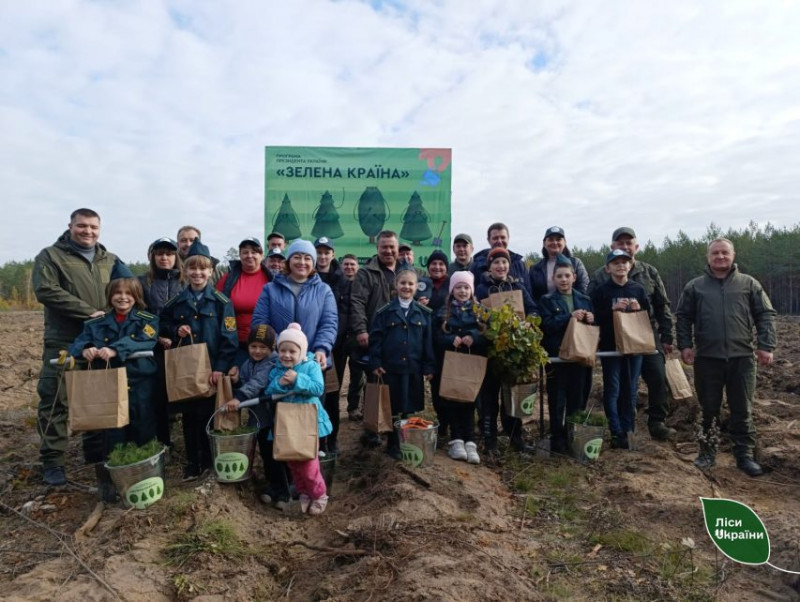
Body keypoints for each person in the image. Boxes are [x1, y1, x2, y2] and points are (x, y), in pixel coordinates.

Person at [676, 238, 777, 477]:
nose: (720, 257)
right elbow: (682, 317)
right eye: (715, 253)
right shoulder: (695, 286)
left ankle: (744, 456)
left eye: (724, 253)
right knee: (708, 408)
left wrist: (766, 345)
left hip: (742, 358)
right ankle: (707, 453)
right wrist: (685, 345)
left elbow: (765, 314)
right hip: (707, 359)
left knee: (742, 409)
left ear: (733, 255)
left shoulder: (749, 284)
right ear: (708, 257)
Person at [33, 208, 119, 486]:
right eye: (82, 226)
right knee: (56, 399)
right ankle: (53, 462)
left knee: (95, 397)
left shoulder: (110, 259)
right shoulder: (51, 256)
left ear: (100, 229)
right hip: (64, 341)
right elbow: (46, 291)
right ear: (70, 226)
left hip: (98, 340)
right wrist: (89, 312)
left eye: (93, 227)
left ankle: (94, 454)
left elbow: (127, 289)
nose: (88, 231)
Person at [68, 265, 159, 500]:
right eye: (118, 293)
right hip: (108, 388)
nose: (123, 297)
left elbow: (146, 341)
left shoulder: (147, 320)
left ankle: (147, 479)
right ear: (110, 295)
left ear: (136, 296)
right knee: (113, 435)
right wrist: (86, 349)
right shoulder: (96, 323)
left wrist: (115, 349)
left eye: (128, 293)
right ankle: (117, 484)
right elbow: (76, 345)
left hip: (139, 385)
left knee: (143, 430)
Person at [229, 324, 332, 514]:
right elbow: (269, 389)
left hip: (307, 421)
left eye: (292, 351)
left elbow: (318, 388)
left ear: (301, 351)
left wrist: (297, 379)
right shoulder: (277, 368)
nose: (286, 355)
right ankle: (303, 494)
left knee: (308, 462)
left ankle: (319, 495)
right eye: (283, 350)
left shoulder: (310, 366)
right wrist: (281, 383)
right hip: (287, 421)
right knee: (292, 461)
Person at [587, 227, 676, 441]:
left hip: (645, 333)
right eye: (620, 243)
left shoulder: (649, 272)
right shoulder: (600, 276)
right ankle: (621, 428)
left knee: (656, 377)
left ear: (636, 247)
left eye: (629, 243)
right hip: (614, 337)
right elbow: (592, 306)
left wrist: (667, 336)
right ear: (612, 248)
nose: (625, 247)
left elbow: (661, 304)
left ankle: (657, 422)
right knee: (618, 385)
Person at [251, 239, 339, 457]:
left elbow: (329, 323)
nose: (302, 262)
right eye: (297, 257)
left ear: (314, 262)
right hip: (277, 362)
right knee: (281, 420)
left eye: (308, 258)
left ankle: (311, 473)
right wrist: (281, 348)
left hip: (311, 364)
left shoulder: (324, 290)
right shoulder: (270, 289)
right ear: (288, 262)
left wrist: (321, 348)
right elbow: (260, 324)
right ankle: (281, 478)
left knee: (310, 419)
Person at [160, 239, 238, 480]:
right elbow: (162, 325)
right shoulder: (175, 303)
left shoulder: (222, 303)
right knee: (189, 416)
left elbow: (230, 338)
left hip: (211, 370)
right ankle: (193, 461)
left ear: (211, 271)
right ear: (185, 270)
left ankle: (209, 459)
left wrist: (220, 368)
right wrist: (175, 331)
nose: (197, 273)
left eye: (203, 268)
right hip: (187, 370)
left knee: (208, 415)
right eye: (192, 268)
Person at [475, 246, 538, 455]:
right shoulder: (481, 289)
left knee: (512, 395)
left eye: (504, 262)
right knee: (489, 397)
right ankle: (490, 439)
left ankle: (515, 437)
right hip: (490, 351)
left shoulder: (516, 287)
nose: (501, 266)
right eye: (496, 263)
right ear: (489, 266)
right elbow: (475, 314)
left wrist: (529, 322)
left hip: (512, 353)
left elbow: (532, 309)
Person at [368, 268, 435, 459]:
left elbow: (427, 342)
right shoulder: (385, 312)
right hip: (391, 369)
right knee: (393, 407)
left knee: (409, 407)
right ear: (396, 285)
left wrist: (429, 366)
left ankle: (407, 443)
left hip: (412, 369)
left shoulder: (423, 313)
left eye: (410, 284)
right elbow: (376, 339)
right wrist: (376, 361)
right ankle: (393, 444)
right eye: (403, 283)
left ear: (416, 288)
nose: (406, 287)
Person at [590, 249, 650, 450]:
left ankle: (628, 430)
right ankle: (616, 432)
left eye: (624, 262)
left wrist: (636, 310)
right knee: (613, 388)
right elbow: (594, 320)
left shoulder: (638, 290)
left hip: (634, 348)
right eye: (615, 263)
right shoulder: (602, 291)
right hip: (611, 347)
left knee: (631, 390)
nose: (620, 265)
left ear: (630, 265)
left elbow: (647, 317)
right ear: (608, 268)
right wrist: (611, 311)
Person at [539, 256, 594, 454]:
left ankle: (572, 437)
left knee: (576, 399)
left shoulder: (585, 300)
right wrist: (568, 317)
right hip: (557, 357)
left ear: (574, 277)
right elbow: (546, 325)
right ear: (553, 279)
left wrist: (590, 318)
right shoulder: (546, 300)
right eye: (559, 276)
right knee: (556, 400)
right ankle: (557, 439)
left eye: (567, 276)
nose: (563, 280)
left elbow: (593, 328)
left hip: (579, 357)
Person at [350, 230, 400, 446]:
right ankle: (372, 431)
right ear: (377, 248)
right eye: (384, 247)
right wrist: (361, 329)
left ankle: (395, 430)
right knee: (374, 383)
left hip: (400, 338)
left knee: (396, 384)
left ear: (397, 248)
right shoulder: (366, 273)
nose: (388, 251)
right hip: (375, 338)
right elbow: (357, 302)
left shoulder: (407, 271)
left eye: (392, 247)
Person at [225, 324, 284, 506]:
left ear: (271, 347)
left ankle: (283, 491)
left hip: (273, 417)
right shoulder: (247, 363)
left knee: (276, 454)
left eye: (262, 347)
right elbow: (244, 380)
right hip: (257, 418)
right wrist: (236, 381)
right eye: (253, 346)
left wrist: (238, 398)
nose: (257, 351)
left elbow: (257, 383)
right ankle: (271, 486)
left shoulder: (272, 362)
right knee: (265, 453)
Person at [433, 271, 486, 464]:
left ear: (471, 290)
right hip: (450, 363)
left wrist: (474, 336)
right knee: (452, 400)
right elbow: (436, 336)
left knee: (470, 401)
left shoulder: (480, 311)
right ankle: (456, 440)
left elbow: (488, 332)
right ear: (452, 290)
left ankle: (470, 441)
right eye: (458, 287)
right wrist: (449, 339)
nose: (462, 291)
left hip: (472, 363)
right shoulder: (443, 312)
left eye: (466, 287)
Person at [138, 237, 185, 448]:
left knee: (186, 394)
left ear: (176, 256)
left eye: (169, 253)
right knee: (158, 397)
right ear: (152, 257)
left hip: (182, 345)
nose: (164, 257)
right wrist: (156, 336)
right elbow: (141, 315)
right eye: (159, 254)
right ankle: (163, 443)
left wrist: (175, 334)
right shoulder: (143, 283)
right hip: (154, 347)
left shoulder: (184, 282)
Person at [314, 236, 346, 453]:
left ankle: (332, 438)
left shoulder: (342, 280)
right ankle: (314, 439)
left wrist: (331, 341)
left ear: (333, 255)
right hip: (309, 347)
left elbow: (344, 313)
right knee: (313, 393)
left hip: (336, 347)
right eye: (319, 252)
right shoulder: (307, 276)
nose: (323, 256)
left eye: (327, 252)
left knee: (332, 394)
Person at [216, 237, 271, 365]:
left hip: (264, 344)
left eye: (254, 252)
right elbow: (217, 306)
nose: (249, 255)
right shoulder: (227, 279)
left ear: (262, 255)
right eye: (245, 252)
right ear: (240, 255)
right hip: (235, 343)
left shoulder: (271, 278)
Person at [529, 226, 590, 302]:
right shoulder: (535, 269)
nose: (555, 242)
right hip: (545, 311)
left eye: (558, 239)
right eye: (551, 239)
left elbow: (584, 288)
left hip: (574, 311)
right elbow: (531, 295)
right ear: (544, 243)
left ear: (564, 242)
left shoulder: (576, 263)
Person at [470, 222, 531, 294]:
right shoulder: (477, 266)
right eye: (495, 238)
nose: (499, 241)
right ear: (488, 240)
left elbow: (529, 292)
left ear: (508, 238)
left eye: (503, 237)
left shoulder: (520, 265)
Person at [339, 254, 365, 421]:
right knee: (336, 375)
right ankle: (332, 406)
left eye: (352, 265)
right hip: (340, 337)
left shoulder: (362, 285)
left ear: (357, 267)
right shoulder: (336, 284)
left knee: (357, 375)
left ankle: (354, 408)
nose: (349, 267)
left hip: (357, 337)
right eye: (346, 264)